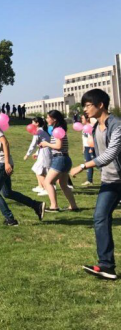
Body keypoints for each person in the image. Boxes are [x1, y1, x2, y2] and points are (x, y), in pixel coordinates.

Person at [71, 89, 121, 280]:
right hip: (110, 181)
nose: (85, 109)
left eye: (88, 105)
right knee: (100, 217)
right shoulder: (94, 128)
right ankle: (106, 265)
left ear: (100, 105)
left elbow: (110, 154)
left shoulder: (116, 125)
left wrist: (83, 166)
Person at [0, 104, 45, 226]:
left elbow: (5, 142)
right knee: (8, 193)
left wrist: (7, 163)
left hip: (2, 164)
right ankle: (36, 205)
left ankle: (10, 220)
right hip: (1, 163)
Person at [38, 110, 79, 212]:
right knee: (63, 185)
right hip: (65, 159)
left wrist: (46, 144)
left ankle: (54, 206)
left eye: (48, 117)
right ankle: (73, 206)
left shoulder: (57, 130)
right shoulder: (60, 129)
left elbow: (58, 146)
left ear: (54, 119)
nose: (46, 119)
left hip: (59, 159)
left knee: (47, 182)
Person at [24, 117, 52, 196]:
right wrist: (37, 153)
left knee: (39, 171)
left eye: (33, 122)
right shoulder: (41, 131)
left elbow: (33, 144)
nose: (31, 124)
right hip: (42, 152)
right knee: (36, 169)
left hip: (45, 153)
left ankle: (46, 189)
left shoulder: (38, 132)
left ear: (37, 123)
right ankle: (41, 186)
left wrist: (27, 154)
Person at [80, 114, 95, 186]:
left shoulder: (91, 127)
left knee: (98, 164)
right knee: (88, 164)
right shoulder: (84, 127)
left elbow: (93, 138)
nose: (81, 120)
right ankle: (89, 180)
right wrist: (83, 148)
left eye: (82, 118)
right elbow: (84, 138)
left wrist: (92, 148)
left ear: (87, 119)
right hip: (86, 147)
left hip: (91, 147)